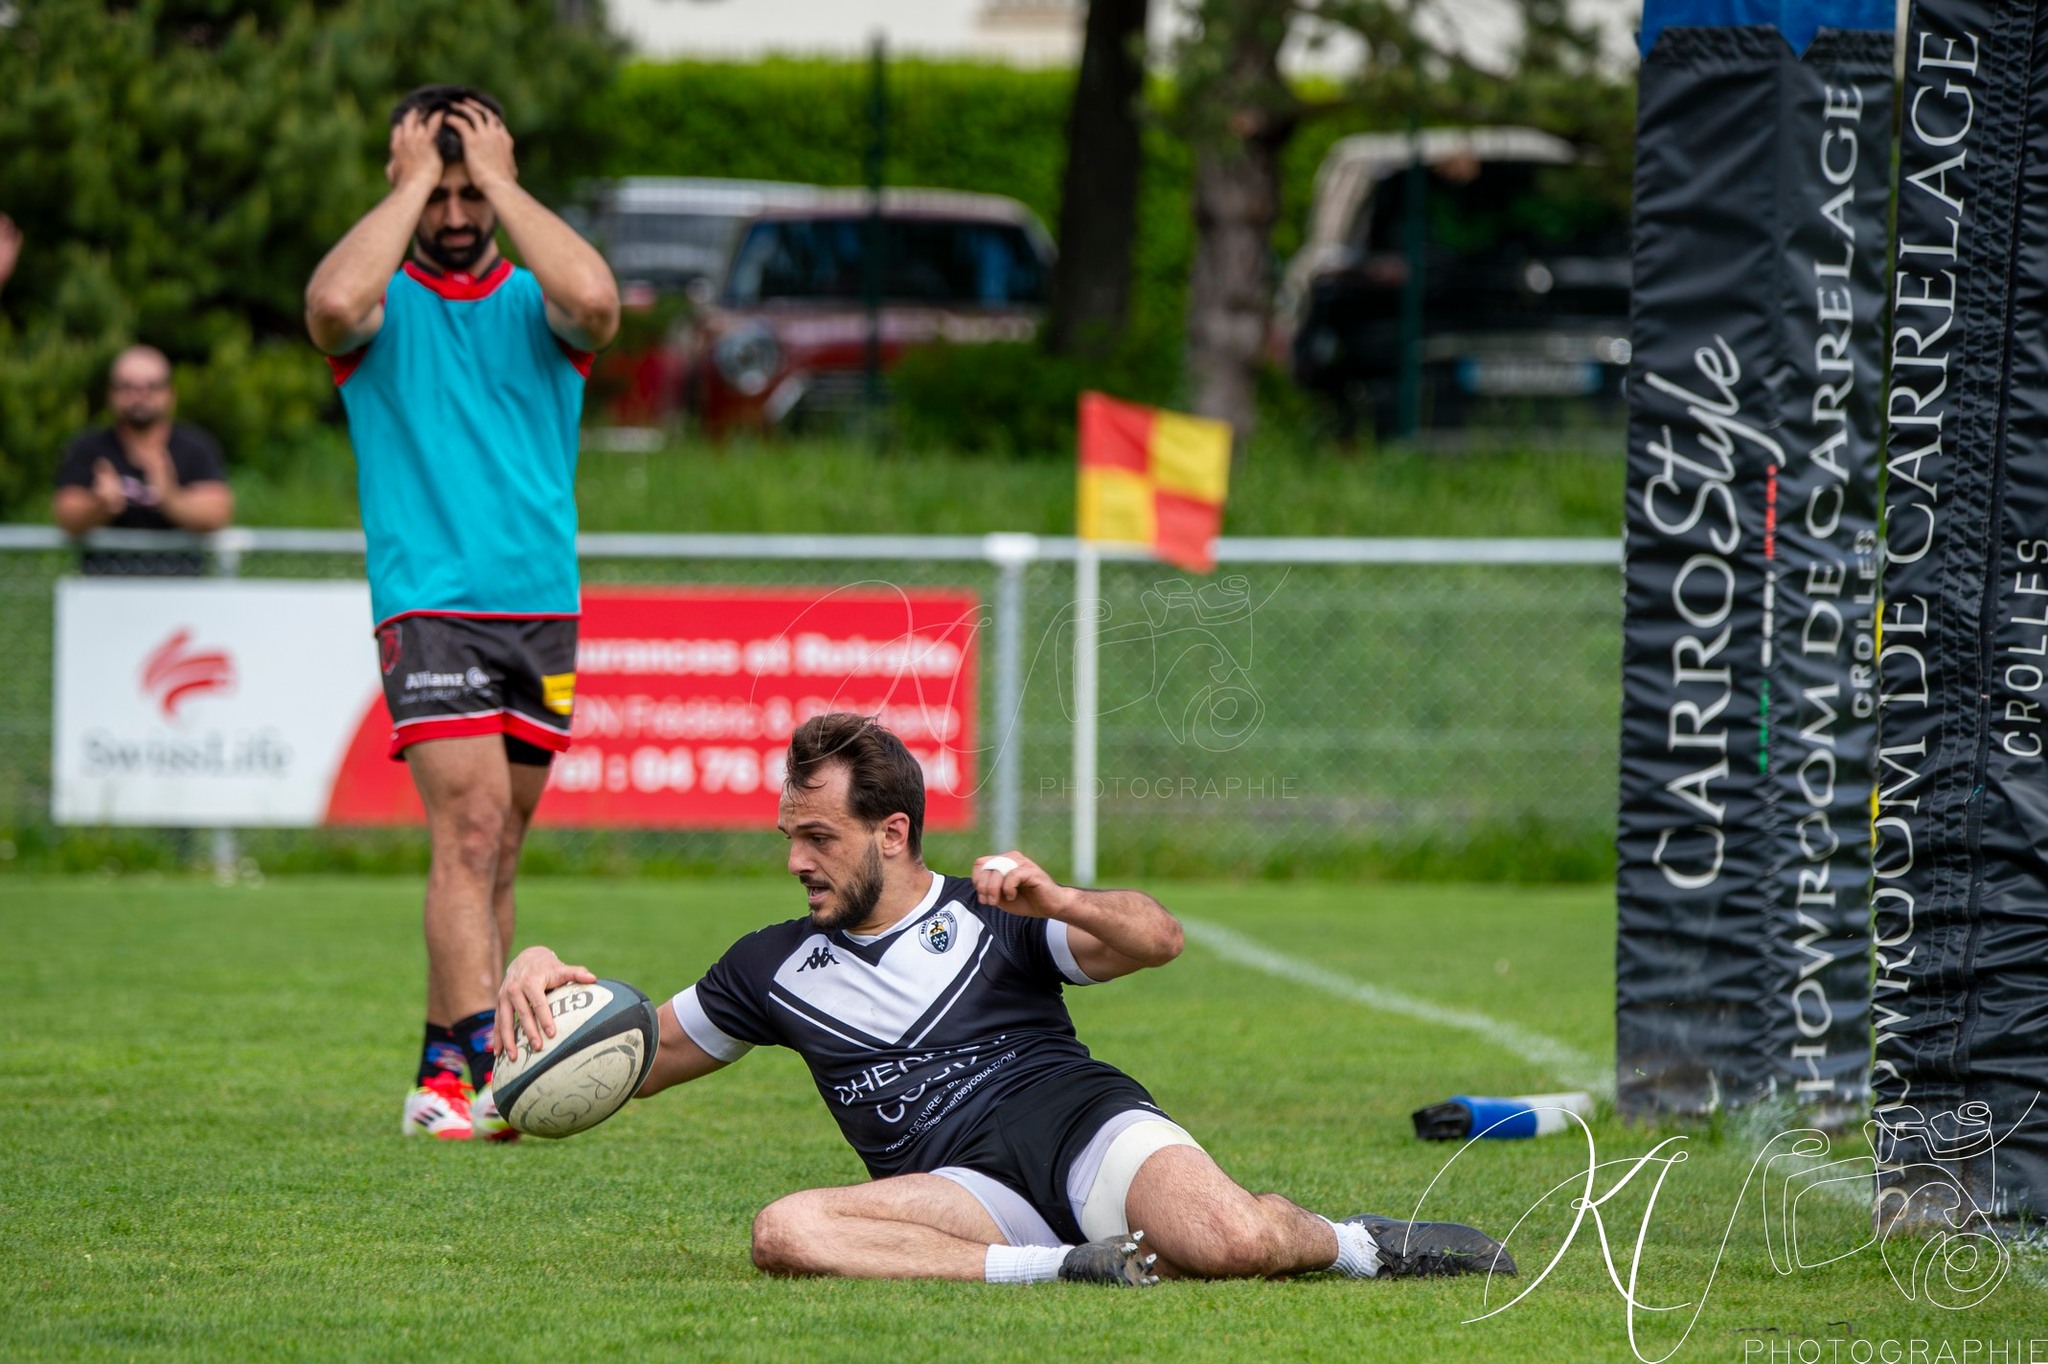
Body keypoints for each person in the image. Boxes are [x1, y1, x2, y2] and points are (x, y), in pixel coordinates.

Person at [499, 713, 1516, 1286]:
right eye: (788, 834)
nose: (797, 858)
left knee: (1233, 1244)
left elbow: (1157, 938)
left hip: (1077, 1123)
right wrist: (543, 962)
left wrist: (1062, 897)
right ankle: (1061, 1267)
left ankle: (1356, 1243)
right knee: (787, 1230)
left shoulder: (993, 910)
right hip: (958, 1190)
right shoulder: (768, 967)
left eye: (819, 835)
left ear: (891, 832)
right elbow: (635, 1057)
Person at [303, 85, 620, 1142]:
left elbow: (601, 302)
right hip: (429, 604)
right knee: (471, 825)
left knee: (502, 847)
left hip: (541, 605)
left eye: (465, 192)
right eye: (434, 193)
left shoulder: (538, 302)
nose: (453, 213)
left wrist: (497, 175)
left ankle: (443, 1071)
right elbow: (330, 308)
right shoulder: (381, 305)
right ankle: (485, 1069)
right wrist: (406, 184)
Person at [53, 345, 234, 575]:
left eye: (151, 387)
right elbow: (66, 517)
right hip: (104, 592)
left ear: (170, 393)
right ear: (111, 394)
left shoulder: (195, 447)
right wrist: (100, 506)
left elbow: (217, 514)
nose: (139, 396)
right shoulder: (88, 447)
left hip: (180, 593)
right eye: (127, 387)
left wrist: (170, 497)